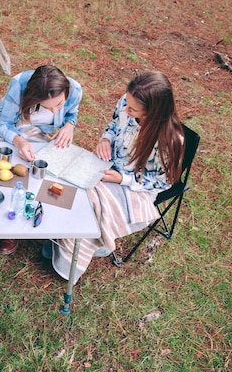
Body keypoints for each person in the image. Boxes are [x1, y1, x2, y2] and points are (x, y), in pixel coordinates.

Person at [44, 70, 185, 284]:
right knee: (67, 183)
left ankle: (83, 248)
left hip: (137, 188)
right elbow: (113, 126)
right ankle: (62, 239)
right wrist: (105, 140)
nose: (126, 109)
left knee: (86, 203)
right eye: (126, 102)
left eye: (133, 108)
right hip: (109, 166)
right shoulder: (126, 103)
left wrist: (122, 180)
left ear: (153, 111)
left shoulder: (170, 140)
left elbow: (163, 182)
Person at [0, 65, 83, 262]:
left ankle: (11, 225)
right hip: (10, 130)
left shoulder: (75, 89)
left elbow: (71, 116)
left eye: (59, 104)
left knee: (33, 179)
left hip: (36, 135)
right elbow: (4, 124)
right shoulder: (20, 84)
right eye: (46, 106)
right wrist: (19, 141)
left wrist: (69, 126)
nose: (53, 110)